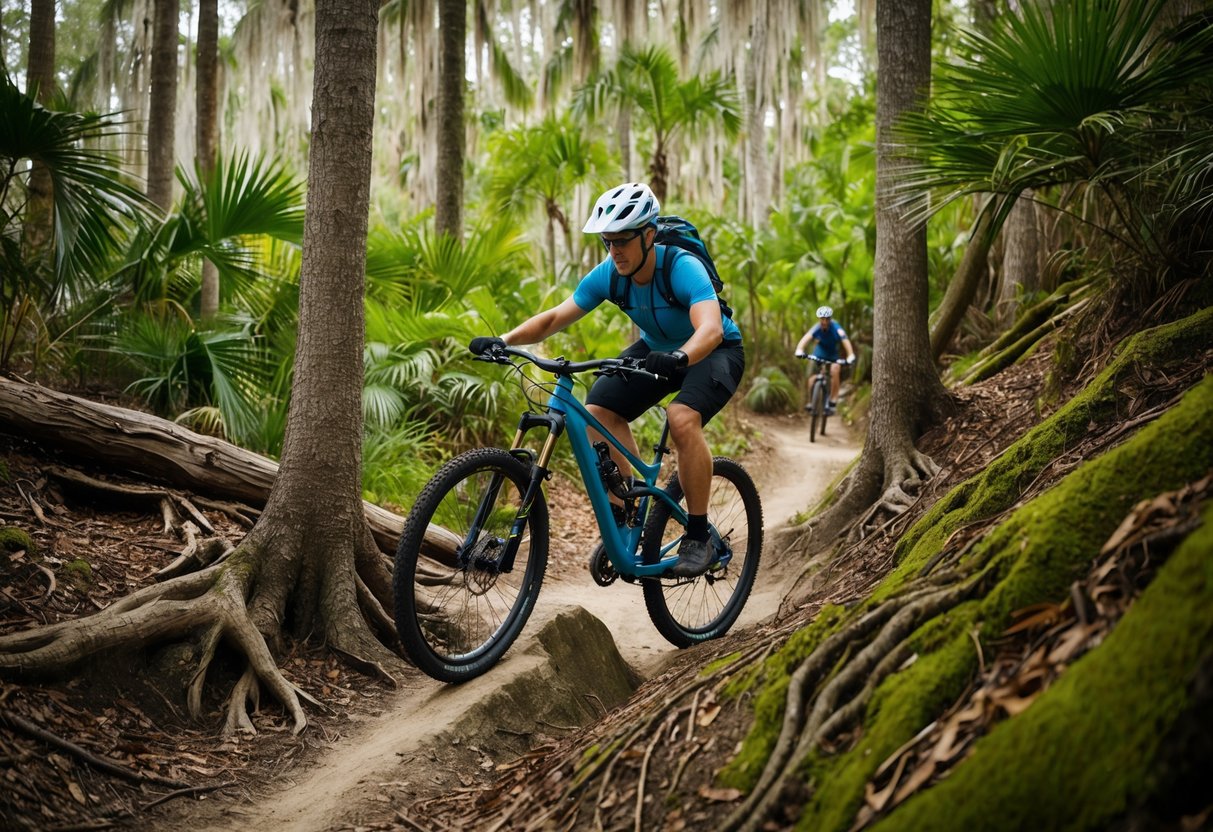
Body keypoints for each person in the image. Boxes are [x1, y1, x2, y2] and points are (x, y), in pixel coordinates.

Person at [469, 182, 745, 578]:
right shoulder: (610, 275)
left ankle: (698, 535)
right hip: (657, 349)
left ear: (649, 236)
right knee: (598, 411)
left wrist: (681, 357)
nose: (615, 251)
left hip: (714, 351)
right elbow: (552, 319)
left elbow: (711, 329)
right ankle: (628, 507)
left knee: (682, 418)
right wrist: (504, 340)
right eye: (607, 242)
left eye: (623, 241)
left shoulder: (681, 267)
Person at [794, 306, 855, 414]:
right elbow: (805, 339)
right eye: (822, 319)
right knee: (812, 378)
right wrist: (799, 350)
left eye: (827, 319)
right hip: (819, 353)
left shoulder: (837, 328)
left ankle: (832, 400)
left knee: (835, 370)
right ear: (819, 319)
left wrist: (850, 355)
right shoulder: (816, 328)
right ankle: (811, 402)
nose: (824, 321)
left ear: (830, 319)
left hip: (832, 355)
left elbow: (845, 341)